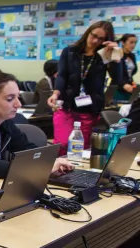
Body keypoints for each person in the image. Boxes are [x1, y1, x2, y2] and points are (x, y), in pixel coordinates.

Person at [48, 21, 120, 155]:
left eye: (101, 39)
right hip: (66, 105)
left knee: (80, 147)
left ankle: (75, 175)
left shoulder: (104, 55)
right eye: (93, 35)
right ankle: (57, 170)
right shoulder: (70, 51)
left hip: (89, 108)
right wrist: (55, 93)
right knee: (63, 143)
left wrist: (115, 54)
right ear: (88, 32)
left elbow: (117, 78)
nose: (95, 40)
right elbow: (62, 75)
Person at [110, 34, 138, 102]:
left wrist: (131, 82)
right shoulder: (116, 55)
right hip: (117, 89)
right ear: (123, 42)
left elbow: (130, 73)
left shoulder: (132, 56)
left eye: (135, 43)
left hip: (129, 89)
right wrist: (123, 84)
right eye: (131, 42)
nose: (133, 45)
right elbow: (114, 74)